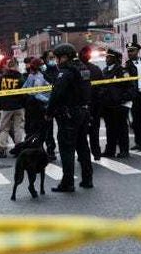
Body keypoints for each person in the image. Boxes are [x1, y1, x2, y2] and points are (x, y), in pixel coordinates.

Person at [46, 43, 93, 192]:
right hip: (83, 111)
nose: (57, 61)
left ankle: (67, 182)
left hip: (69, 114)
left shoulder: (66, 72)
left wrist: (49, 112)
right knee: (83, 146)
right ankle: (87, 179)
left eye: (58, 58)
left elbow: (56, 94)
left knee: (66, 148)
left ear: (64, 57)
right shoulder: (83, 68)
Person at [101, 49, 131, 158]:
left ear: (115, 58)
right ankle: (110, 150)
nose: (106, 59)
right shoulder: (105, 71)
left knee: (121, 129)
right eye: (106, 57)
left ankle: (124, 150)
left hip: (120, 105)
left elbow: (129, 86)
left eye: (109, 57)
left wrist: (123, 99)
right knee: (110, 129)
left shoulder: (122, 70)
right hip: (108, 105)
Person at [0, 57, 25, 157]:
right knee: (18, 128)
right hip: (18, 106)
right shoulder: (20, 77)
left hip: (6, 106)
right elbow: (24, 90)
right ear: (16, 65)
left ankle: (2, 149)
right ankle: (18, 148)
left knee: (4, 128)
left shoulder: (2, 77)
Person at [79, 46, 105, 159]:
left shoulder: (78, 70)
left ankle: (83, 155)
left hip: (83, 104)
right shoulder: (96, 69)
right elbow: (102, 87)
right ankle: (96, 153)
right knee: (94, 130)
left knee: (82, 132)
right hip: (95, 104)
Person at [22, 57, 51, 140]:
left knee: (30, 128)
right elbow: (37, 93)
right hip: (38, 106)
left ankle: (29, 144)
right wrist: (48, 100)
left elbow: (24, 89)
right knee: (37, 129)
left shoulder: (31, 76)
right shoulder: (39, 77)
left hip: (30, 105)